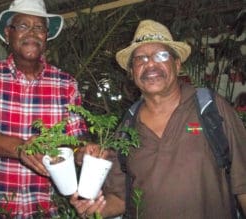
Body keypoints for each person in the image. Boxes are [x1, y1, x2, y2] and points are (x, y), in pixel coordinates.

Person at [70, 19, 246, 218]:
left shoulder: (211, 109)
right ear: (132, 73)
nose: (151, 64)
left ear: (177, 65)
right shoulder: (126, 128)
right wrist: (94, 208)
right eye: (140, 59)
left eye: (161, 55)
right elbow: (120, 199)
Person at [0, 0, 86, 218]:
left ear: (46, 36)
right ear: (7, 34)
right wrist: (20, 148)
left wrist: (85, 153)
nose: (32, 33)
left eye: (39, 27)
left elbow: (76, 141)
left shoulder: (67, 84)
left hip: (47, 209)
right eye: (22, 26)